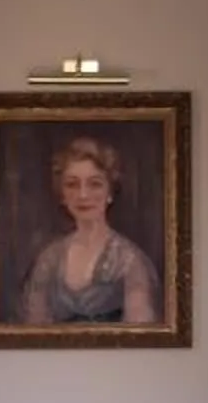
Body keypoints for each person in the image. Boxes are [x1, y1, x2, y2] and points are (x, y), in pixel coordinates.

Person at [20, 133, 162, 326]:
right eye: (72, 184)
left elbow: (141, 332)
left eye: (95, 184)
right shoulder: (49, 260)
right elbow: (33, 327)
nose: (83, 195)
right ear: (62, 195)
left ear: (110, 192)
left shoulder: (129, 261)